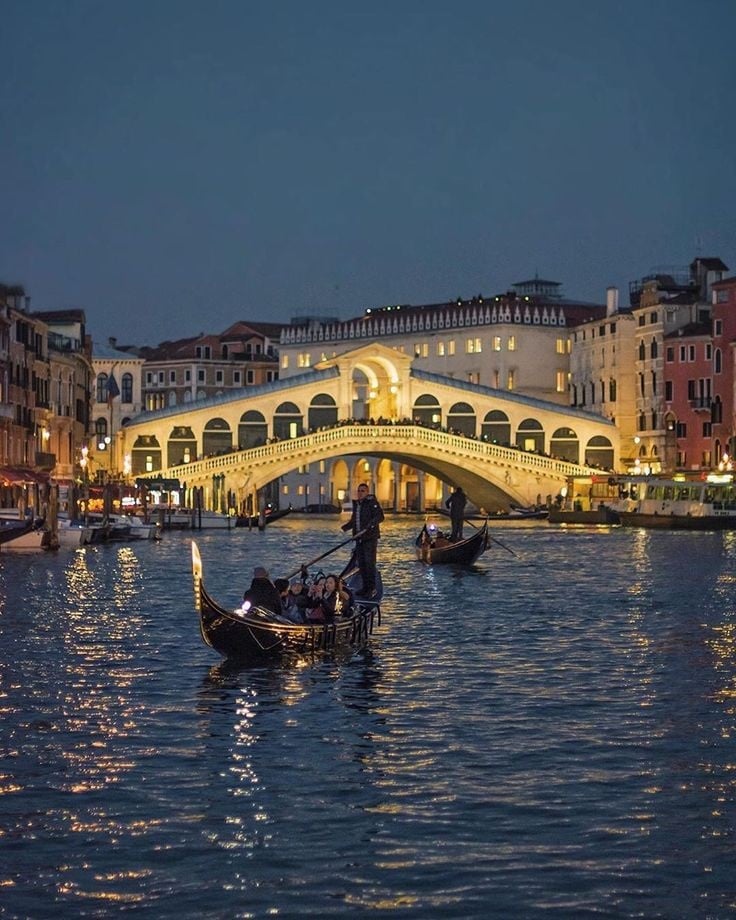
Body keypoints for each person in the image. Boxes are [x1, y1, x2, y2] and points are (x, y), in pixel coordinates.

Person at [341, 482, 384, 598]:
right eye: (359, 491)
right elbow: (354, 520)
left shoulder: (372, 503)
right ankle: (365, 588)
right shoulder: (357, 505)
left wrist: (370, 525)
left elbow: (380, 517)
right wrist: (346, 527)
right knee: (362, 564)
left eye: (362, 491)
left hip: (370, 538)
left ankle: (371, 589)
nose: (360, 493)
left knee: (369, 564)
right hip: (359, 538)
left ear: (367, 492)